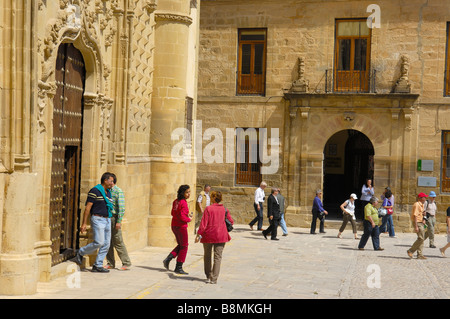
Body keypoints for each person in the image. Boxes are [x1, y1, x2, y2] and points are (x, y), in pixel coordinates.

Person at [74, 172, 114, 272]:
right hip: (98, 219)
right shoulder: (95, 191)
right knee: (99, 242)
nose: (112, 183)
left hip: (107, 219)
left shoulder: (108, 192)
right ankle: (81, 252)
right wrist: (84, 223)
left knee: (106, 244)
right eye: (111, 181)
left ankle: (98, 265)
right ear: (105, 180)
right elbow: (88, 208)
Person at [195, 191, 234, 284]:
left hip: (209, 235)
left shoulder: (208, 209)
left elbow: (203, 224)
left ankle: (208, 276)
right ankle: (214, 278)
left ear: (212, 198)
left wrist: (198, 235)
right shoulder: (224, 209)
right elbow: (231, 221)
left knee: (207, 256)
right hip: (221, 235)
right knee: (218, 257)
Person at [163, 185, 193, 274]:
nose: (189, 194)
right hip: (181, 227)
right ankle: (178, 267)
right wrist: (189, 219)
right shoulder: (183, 202)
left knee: (181, 244)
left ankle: (169, 258)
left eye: (189, 192)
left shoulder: (176, 201)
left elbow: (173, 213)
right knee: (184, 246)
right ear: (182, 193)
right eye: (187, 192)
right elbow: (182, 216)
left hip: (174, 225)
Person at [106, 173, 131, 271]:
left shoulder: (118, 191)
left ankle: (126, 262)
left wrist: (119, 221)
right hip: (108, 218)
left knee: (118, 241)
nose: (109, 182)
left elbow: (121, 208)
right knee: (108, 241)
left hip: (115, 218)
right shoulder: (107, 191)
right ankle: (110, 263)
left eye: (111, 180)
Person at [407, 192, 428, 259]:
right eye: (424, 197)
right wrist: (416, 226)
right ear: (420, 198)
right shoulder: (417, 205)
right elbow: (415, 216)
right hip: (417, 222)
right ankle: (410, 250)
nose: (425, 198)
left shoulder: (422, 205)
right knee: (421, 238)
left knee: (421, 238)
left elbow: (420, 214)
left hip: (421, 222)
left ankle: (420, 254)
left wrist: (423, 216)